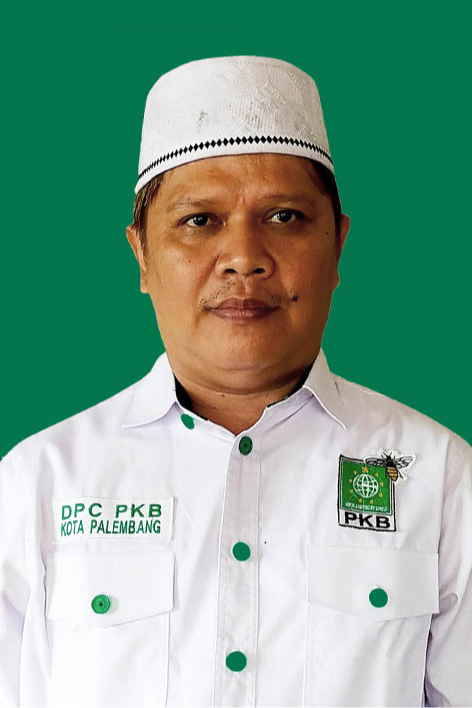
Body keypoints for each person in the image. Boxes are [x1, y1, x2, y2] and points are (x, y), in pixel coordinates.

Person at [0, 55, 471, 708]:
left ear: (338, 244)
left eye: (284, 217)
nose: (245, 259)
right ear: (141, 253)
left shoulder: (439, 477)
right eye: (200, 221)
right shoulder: (38, 484)